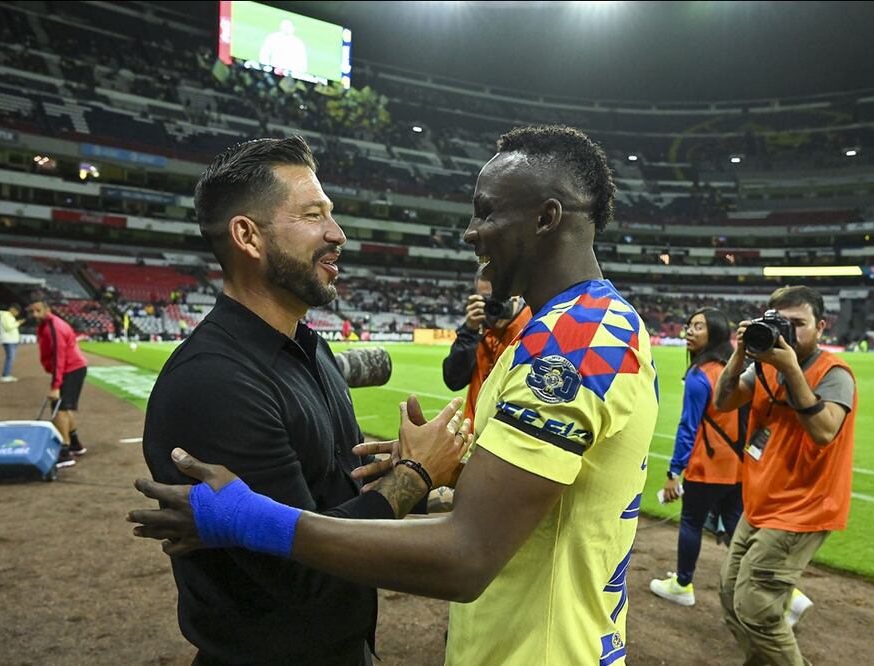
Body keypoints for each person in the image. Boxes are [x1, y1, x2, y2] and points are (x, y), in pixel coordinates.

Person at [131, 126, 659, 665]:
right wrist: (445, 471)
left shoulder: (576, 339)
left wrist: (251, 518)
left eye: (485, 212)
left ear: (546, 218)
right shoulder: (558, 330)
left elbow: (465, 555)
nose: (471, 232)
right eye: (314, 215)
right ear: (247, 235)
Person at [139, 137, 472, 666]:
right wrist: (414, 475)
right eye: (314, 215)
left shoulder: (308, 349)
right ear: (247, 235)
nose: (337, 234)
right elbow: (304, 574)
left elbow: (328, 502)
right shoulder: (215, 383)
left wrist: (425, 487)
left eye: (331, 215)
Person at [713, 285, 857, 666]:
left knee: (757, 605)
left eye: (800, 323)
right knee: (730, 592)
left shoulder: (835, 374)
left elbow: (825, 431)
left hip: (805, 505)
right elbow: (723, 401)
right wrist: (742, 352)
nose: (791, 331)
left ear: (821, 327)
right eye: (782, 323)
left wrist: (791, 367)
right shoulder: (761, 368)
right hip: (761, 499)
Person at [649, 308, 744, 607]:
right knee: (736, 529)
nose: (689, 331)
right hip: (739, 465)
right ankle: (770, 587)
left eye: (698, 327)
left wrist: (673, 472)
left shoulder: (699, 375)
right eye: (689, 326)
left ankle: (682, 584)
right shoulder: (734, 368)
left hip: (708, 464)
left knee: (691, 522)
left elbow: (688, 428)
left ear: (714, 333)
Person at [441, 274, 530, 422]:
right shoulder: (479, 328)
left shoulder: (533, 326)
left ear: (516, 295)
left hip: (502, 436)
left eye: (500, 298)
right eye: (486, 299)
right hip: (471, 435)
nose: (494, 305)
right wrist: (469, 331)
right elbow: (454, 381)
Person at [26, 297, 88, 468]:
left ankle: (65, 451)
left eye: (38, 310)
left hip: (71, 369)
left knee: (58, 408)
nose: (34, 314)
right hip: (73, 368)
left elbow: (58, 357)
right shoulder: (45, 325)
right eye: (31, 311)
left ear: (47, 309)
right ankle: (75, 443)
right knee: (64, 407)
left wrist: (55, 386)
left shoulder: (54, 327)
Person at [0, 304, 24, 382]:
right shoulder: (5, 316)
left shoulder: (9, 316)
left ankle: (7, 374)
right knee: (10, 358)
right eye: (17, 311)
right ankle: (5, 375)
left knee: (10, 358)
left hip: (12, 340)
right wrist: (18, 323)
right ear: (12, 309)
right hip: (9, 340)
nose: (17, 314)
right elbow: (8, 327)